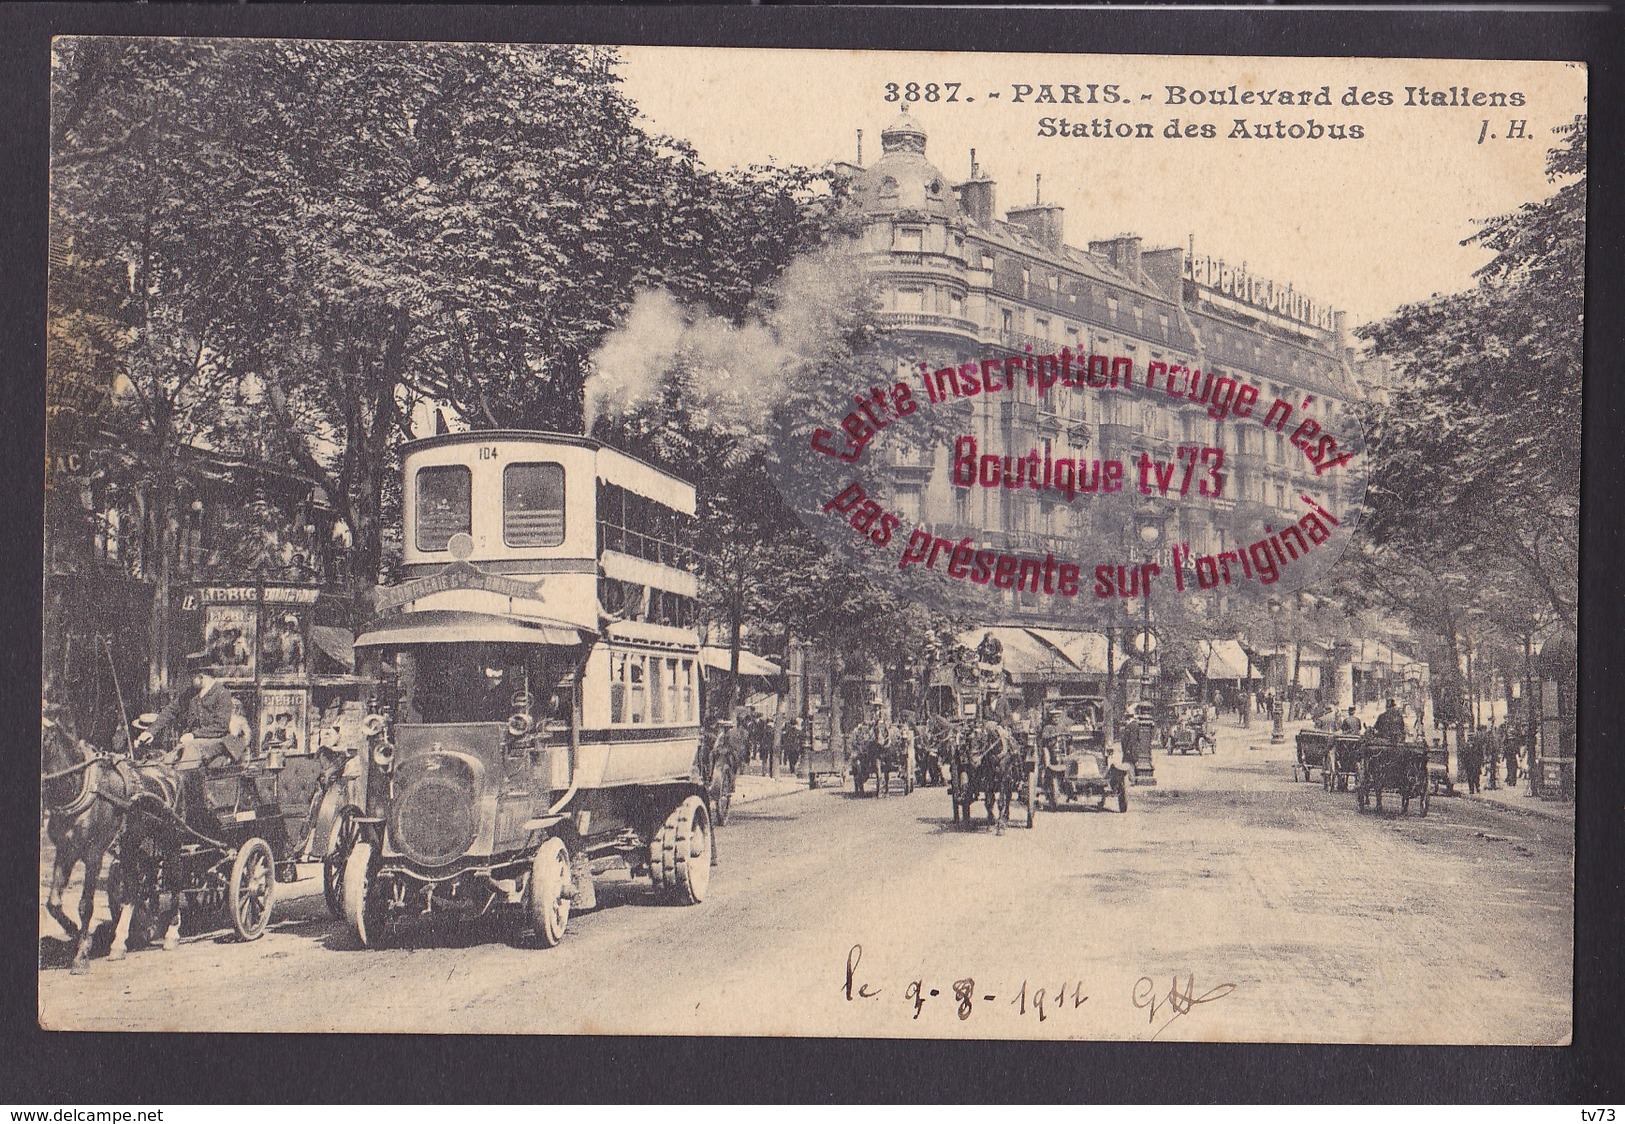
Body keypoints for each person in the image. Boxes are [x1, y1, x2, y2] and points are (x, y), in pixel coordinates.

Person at [136, 654, 247, 827]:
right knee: (166, 760)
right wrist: (151, 732)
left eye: (191, 677)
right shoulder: (191, 693)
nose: (188, 681)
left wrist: (194, 735)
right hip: (191, 743)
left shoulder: (222, 694)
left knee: (190, 752)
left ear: (202, 676)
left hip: (217, 742)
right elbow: (170, 711)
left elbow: (220, 726)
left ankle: (180, 808)